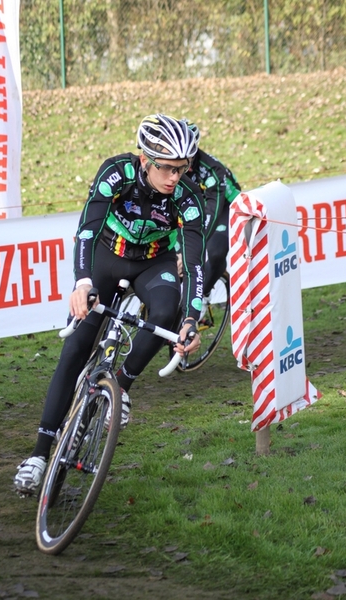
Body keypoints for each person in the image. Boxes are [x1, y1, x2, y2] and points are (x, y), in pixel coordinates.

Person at [14, 114, 206, 495]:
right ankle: (38, 455)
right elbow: (87, 229)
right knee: (76, 347)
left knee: (165, 315)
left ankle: (121, 386)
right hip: (108, 255)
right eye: (167, 168)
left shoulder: (188, 197)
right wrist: (82, 282)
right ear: (145, 160)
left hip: (155, 262)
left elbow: (197, 262)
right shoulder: (116, 173)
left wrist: (191, 319)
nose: (174, 178)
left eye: (182, 169)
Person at [185, 121, 241, 298]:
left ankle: (201, 296)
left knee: (215, 252)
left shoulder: (212, 169)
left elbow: (212, 210)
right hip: (195, 207)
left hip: (225, 207)